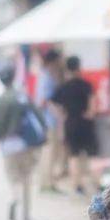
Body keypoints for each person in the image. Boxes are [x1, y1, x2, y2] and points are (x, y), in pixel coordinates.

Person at [0, 64, 41, 220]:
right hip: (25, 143)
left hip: (7, 145)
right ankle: (26, 213)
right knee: (26, 177)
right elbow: (37, 116)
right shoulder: (22, 97)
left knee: (13, 177)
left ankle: (14, 198)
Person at [51, 55, 98, 195]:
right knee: (92, 154)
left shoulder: (63, 87)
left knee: (73, 155)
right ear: (79, 67)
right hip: (86, 123)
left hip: (70, 123)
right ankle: (96, 183)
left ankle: (77, 185)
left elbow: (52, 102)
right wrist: (90, 112)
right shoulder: (86, 84)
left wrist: (61, 115)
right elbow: (92, 102)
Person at [35, 49, 65, 192]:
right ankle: (47, 183)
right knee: (49, 152)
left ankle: (49, 182)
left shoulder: (46, 75)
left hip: (49, 120)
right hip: (49, 120)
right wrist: (58, 113)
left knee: (50, 151)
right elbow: (45, 100)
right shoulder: (47, 76)